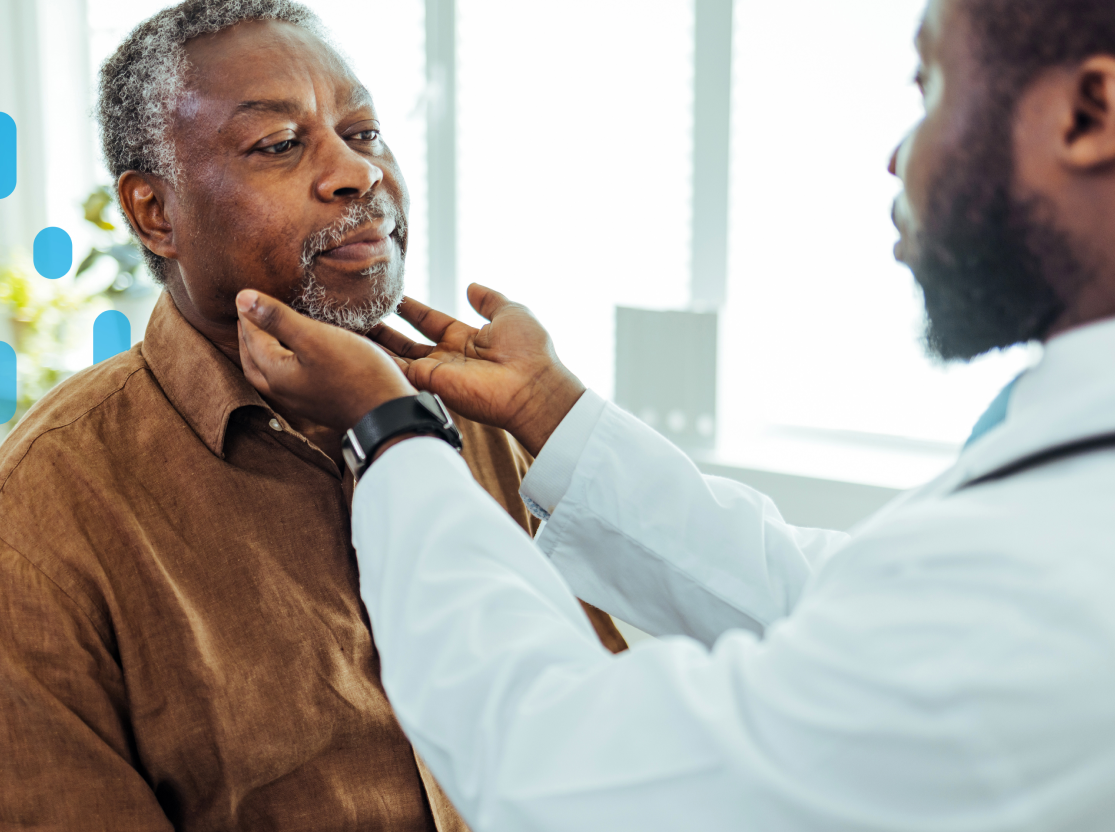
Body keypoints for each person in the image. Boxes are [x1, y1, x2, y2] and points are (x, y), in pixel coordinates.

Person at [230, 0, 1115, 828]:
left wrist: (392, 432)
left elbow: (563, 768)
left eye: (932, 90)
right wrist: (552, 412)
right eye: (277, 142)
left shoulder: (1055, 575)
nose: (896, 156)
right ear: (160, 212)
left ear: (1089, 114)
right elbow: (836, 599)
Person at [0, 2, 625, 829]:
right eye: (280, 144)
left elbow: (610, 743)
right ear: (156, 213)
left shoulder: (477, 418)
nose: (357, 174)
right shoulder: (38, 524)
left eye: (363, 132)